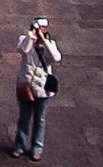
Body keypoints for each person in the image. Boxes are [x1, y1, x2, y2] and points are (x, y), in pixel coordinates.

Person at [11, 17, 61, 161]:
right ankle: (19, 146)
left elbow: (56, 58)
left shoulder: (50, 44)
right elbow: (23, 50)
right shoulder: (25, 39)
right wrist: (31, 36)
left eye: (42, 28)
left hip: (43, 89)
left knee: (40, 119)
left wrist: (43, 41)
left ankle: (36, 148)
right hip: (27, 86)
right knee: (24, 118)